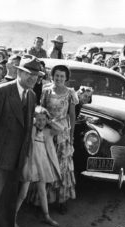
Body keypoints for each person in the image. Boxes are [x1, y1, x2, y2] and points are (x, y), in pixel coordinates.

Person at [0, 55, 43, 227]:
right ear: (19, 72)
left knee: (7, 206)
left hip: (16, 161)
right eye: (29, 74)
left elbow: (28, 127)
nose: (33, 78)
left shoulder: (31, 95)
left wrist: (26, 157)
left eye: (36, 75)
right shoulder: (1, 91)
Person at [41, 64, 78, 214]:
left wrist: (72, 134)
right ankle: (44, 200)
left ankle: (61, 200)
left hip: (63, 132)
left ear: (66, 78)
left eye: (62, 76)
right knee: (46, 163)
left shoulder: (70, 93)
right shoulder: (46, 90)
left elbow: (72, 116)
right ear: (52, 76)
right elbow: (41, 110)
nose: (59, 78)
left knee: (62, 166)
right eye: (57, 75)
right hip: (48, 131)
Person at [15, 106, 61, 227]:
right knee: (23, 193)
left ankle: (46, 216)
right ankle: (12, 216)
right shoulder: (32, 130)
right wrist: (34, 122)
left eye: (43, 120)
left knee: (42, 190)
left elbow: (60, 129)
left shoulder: (47, 131)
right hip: (30, 162)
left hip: (42, 162)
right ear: (34, 119)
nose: (41, 122)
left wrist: (49, 120)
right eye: (38, 119)